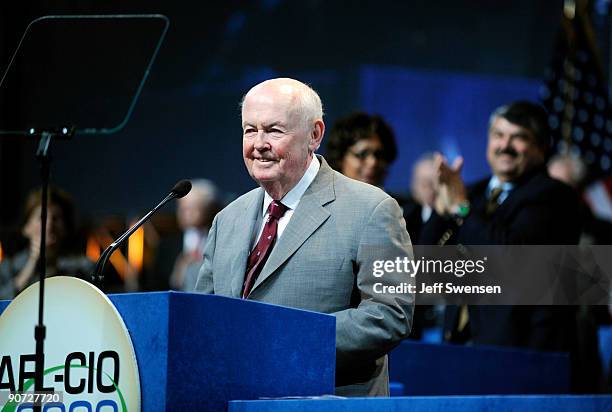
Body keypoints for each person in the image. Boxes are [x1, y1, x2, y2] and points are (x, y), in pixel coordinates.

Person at [195, 78, 414, 396]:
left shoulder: (372, 209)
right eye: (249, 130)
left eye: (274, 130)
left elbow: (389, 314)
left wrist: (285, 340)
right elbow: (202, 318)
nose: (258, 144)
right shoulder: (227, 219)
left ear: (314, 135)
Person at [419, 101, 581, 352]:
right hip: (458, 344)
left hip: (520, 350)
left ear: (541, 147)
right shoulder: (471, 193)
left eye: (519, 138)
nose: (505, 146)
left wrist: (461, 208)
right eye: (498, 135)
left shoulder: (556, 197)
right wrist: (442, 212)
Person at [0, 186, 94, 300]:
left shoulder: (84, 268)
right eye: (42, 217)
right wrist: (32, 263)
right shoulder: (7, 268)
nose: (49, 226)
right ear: (26, 227)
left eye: (56, 218)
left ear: (66, 228)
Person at [326, 112, 397, 188]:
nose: (373, 162)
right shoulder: (322, 199)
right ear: (340, 158)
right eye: (362, 154)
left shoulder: (394, 200)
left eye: (379, 155)